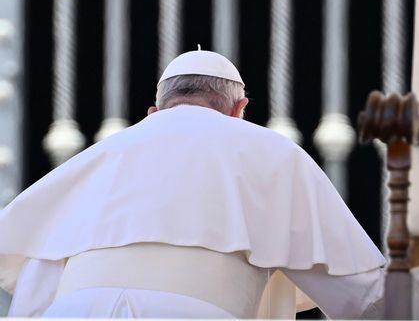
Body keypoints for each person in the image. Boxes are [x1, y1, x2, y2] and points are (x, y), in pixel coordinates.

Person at [0, 49, 385, 318]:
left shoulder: (100, 156)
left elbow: (36, 295)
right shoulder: (271, 151)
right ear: (239, 111)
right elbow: (361, 300)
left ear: (154, 111)